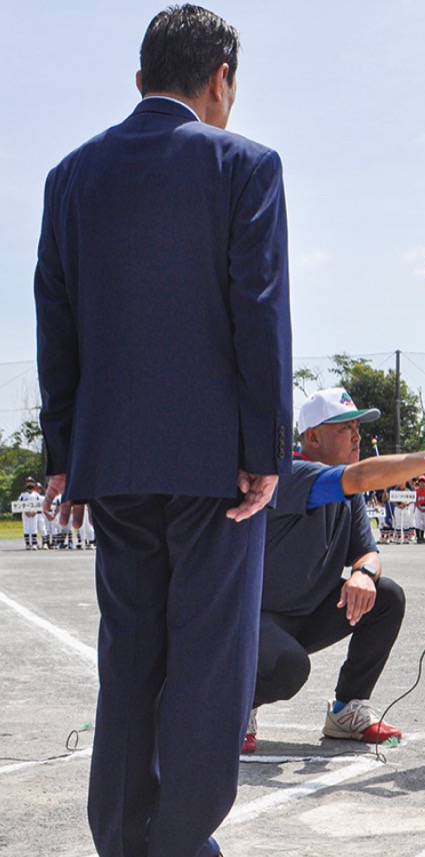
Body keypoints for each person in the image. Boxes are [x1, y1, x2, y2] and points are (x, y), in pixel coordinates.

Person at [34, 7, 291, 856]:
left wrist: (65, 456)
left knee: (130, 656)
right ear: (220, 79)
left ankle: (121, 838)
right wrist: (264, 451)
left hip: (113, 460)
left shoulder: (71, 176)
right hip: (214, 462)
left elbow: (57, 319)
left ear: (140, 80)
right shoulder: (245, 165)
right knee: (208, 665)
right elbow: (257, 310)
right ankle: (182, 843)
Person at [246, 388, 425, 752]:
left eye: (358, 426)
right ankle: (233, 708)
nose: (357, 435)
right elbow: (360, 478)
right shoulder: (288, 473)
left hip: (306, 614)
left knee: (386, 596)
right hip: (256, 621)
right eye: (345, 428)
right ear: (313, 437)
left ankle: (347, 709)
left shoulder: (347, 491)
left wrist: (364, 573)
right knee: (289, 668)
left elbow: (368, 552)